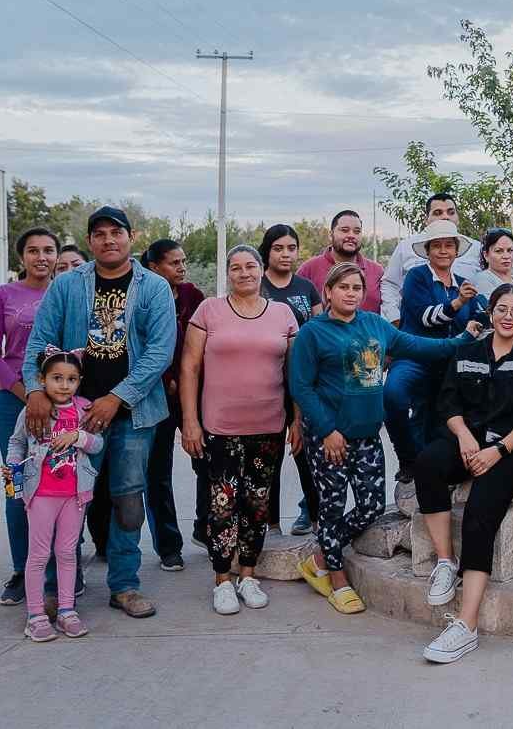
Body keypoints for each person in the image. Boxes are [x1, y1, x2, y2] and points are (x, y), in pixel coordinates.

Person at [289, 262, 476, 614]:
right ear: (328, 291)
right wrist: (327, 430)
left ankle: (319, 556)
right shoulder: (312, 333)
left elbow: (420, 346)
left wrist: (463, 340)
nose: (351, 294)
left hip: (367, 436)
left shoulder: (375, 324)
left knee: (371, 507)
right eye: (343, 287)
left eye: (356, 288)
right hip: (330, 439)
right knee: (331, 508)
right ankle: (336, 577)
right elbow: (301, 387)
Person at [23, 205, 175, 619]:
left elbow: (160, 351)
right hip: (70, 417)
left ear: (131, 237)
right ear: (90, 241)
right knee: (62, 500)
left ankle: (124, 586)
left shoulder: (154, 287)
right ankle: (58, 587)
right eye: (100, 234)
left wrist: (116, 398)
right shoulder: (67, 285)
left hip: (133, 416)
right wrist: (36, 389)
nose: (109, 240)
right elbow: (40, 341)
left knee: (128, 502)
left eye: (116, 232)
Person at [415, 284, 513, 663]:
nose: (508, 316)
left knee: (481, 508)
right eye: (501, 309)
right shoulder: (466, 354)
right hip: (470, 439)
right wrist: (463, 437)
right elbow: (448, 403)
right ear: (490, 313)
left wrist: (498, 451)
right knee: (427, 463)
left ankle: (466, 625)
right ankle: (446, 562)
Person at [179, 245, 301, 615]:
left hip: (268, 426)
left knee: (258, 504)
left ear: (261, 270)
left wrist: (297, 420)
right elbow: (189, 368)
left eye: (250, 266)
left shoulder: (283, 314)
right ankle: (222, 580)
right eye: (236, 267)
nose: (244, 273)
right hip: (220, 428)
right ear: (227, 273)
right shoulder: (209, 311)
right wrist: (190, 421)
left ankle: (248, 575)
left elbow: (295, 373)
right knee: (222, 505)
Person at [0, 226, 61, 605]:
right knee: (17, 488)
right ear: (22, 257)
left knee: (57, 487)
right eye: (33, 250)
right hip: (13, 402)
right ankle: (20, 569)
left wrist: (53, 395)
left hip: (60, 404)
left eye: (48, 250)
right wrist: (27, 393)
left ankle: (60, 574)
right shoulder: (3, 295)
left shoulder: (67, 293)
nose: (41, 257)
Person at [5, 347, 103, 641]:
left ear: (79, 381)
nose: (64, 385)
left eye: (71, 379)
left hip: (75, 495)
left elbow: (97, 444)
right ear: (42, 380)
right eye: (56, 378)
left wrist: (78, 436)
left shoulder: (84, 409)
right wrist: (12, 467)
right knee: (38, 555)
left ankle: (66, 611)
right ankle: (35, 615)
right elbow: (17, 442)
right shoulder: (33, 410)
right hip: (41, 495)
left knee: (66, 552)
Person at [384, 220, 481, 483]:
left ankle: (428, 467)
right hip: (413, 356)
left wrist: (483, 315)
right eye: (436, 245)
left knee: (434, 415)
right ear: (427, 251)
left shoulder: (463, 283)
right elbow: (426, 317)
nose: (443, 250)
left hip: (447, 361)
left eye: (449, 245)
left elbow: (478, 313)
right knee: (393, 394)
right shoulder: (417, 277)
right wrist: (458, 302)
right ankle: (407, 459)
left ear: (456, 251)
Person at [140, 239, 205, 570]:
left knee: (208, 460)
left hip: (195, 393)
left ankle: (206, 527)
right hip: (158, 396)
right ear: (154, 267)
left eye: (183, 261)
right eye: (174, 263)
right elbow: (143, 345)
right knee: (158, 472)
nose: (182, 268)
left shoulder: (193, 296)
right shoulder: (142, 297)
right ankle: (168, 545)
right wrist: (166, 378)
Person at [258, 224, 323, 536]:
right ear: (267, 251)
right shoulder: (257, 286)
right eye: (278, 248)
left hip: (305, 385)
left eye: (291, 248)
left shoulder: (306, 288)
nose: (286, 254)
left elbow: (321, 329)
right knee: (268, 459)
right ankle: (271, 526)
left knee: (306, 457)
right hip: (266, 384)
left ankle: (316, 522)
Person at [380, 194, 481, 324]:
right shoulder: (406, 248)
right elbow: (390, 285)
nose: (445, 217)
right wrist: (395, 318)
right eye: (438, 213)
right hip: (418, 327)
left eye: (451, 212)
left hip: (462, 330)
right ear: (426, 219)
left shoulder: (476, 248)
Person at [297, 209, 384, 313]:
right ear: (331, 235)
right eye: (344, 230)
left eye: (357, 231)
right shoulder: (309, 269)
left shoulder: (377, 271)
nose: (351, 235)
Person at [471, 227, 513, 308]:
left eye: (510, 250)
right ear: (486, 255)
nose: (506, 256)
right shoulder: (482, 280)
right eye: (499, 251)